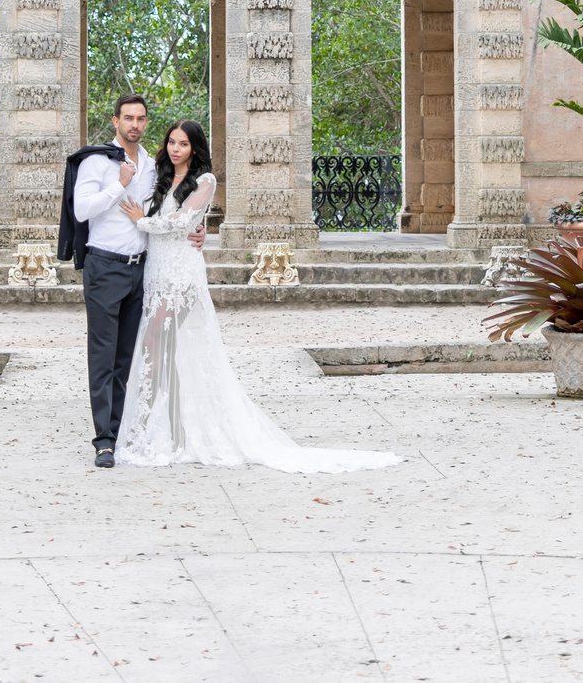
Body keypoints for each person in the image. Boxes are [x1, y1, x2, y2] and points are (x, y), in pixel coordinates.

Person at [113, 118, 400, 475]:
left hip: (181, 275)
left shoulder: (204, 181)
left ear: (195, 148)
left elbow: (183, 223)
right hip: (156, 272)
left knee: (158, 346)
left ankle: (156, 434)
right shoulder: (159, 178)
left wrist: (143, 221)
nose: (175, 149)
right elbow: (169, 219)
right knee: (162, 351)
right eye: (172, 142)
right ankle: (167, 432)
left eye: (183, 144)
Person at [61, 94, 197, 467]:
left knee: (127, 358)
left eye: (140, 119)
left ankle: (120, 435)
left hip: (143, 270)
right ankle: (104, 441)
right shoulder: (97, 161)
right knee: (103, 357)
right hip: (105, 266)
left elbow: (170, 209)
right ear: (115, 121)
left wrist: (194, 233)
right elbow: (81, 209)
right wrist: (119, 184)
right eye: (127, 118)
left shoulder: (154, 167)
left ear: (146, 123)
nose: (134, 124)